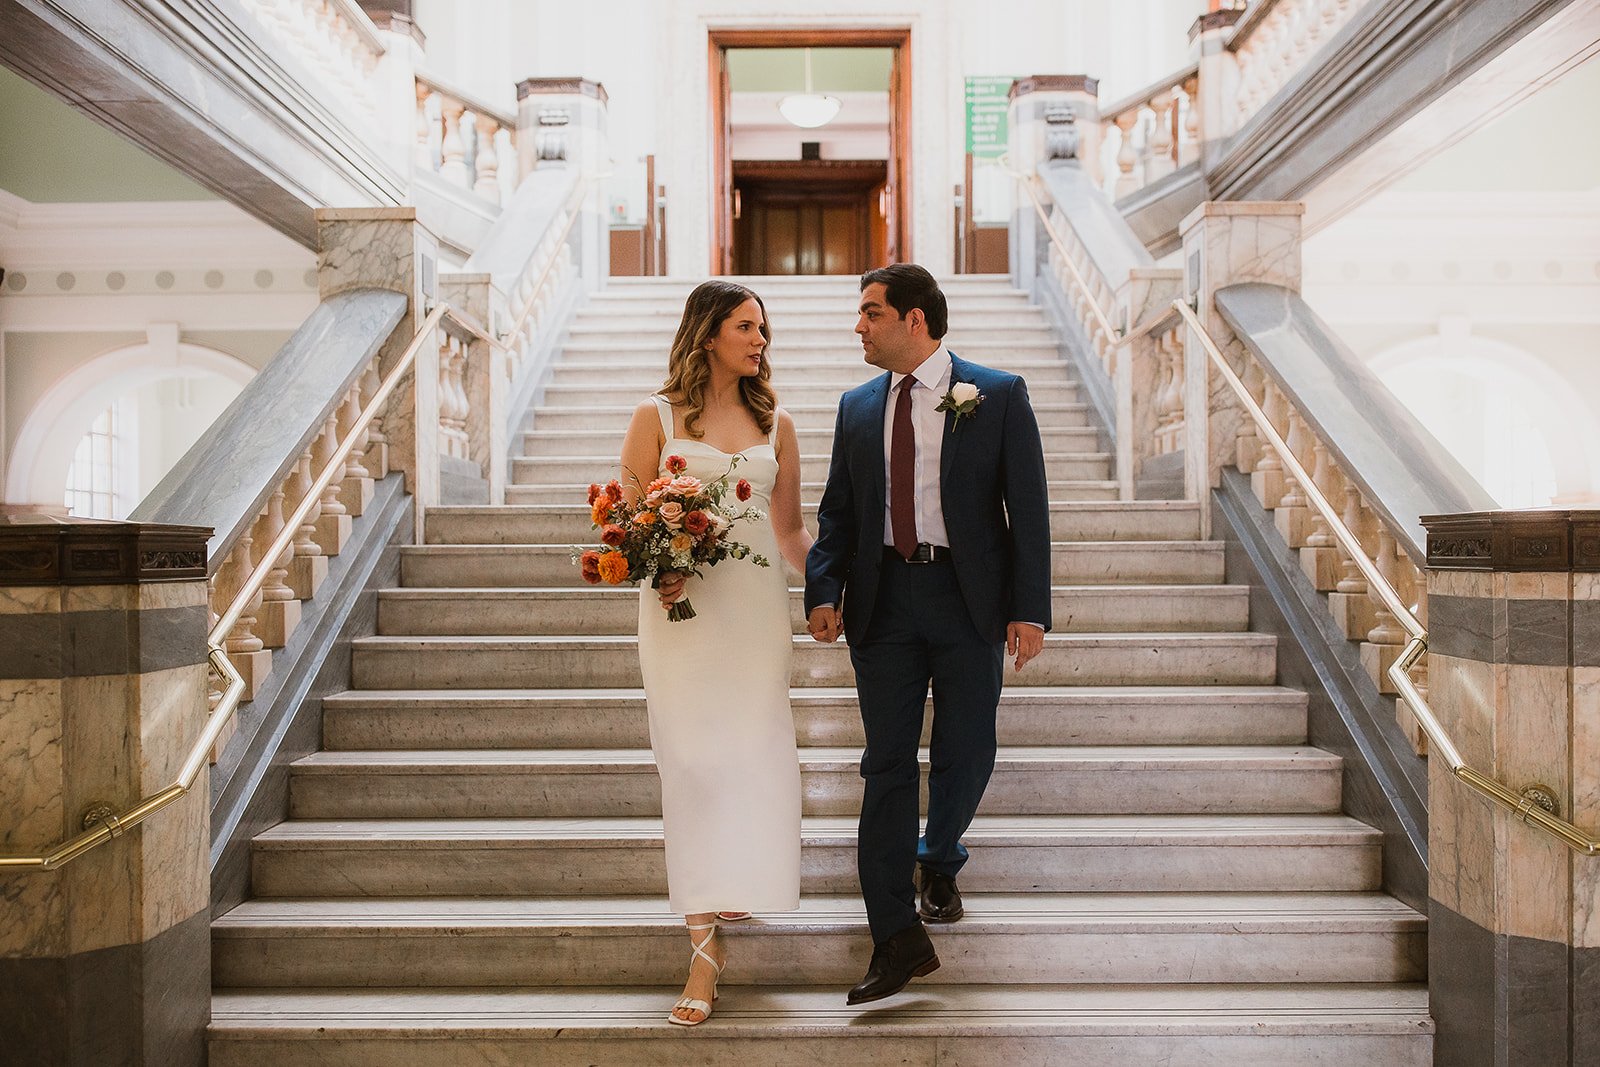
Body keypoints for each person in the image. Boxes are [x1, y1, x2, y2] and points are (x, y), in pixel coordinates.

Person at [805, 263, 1052, 1006]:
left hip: (968, 596)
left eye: (870, 313)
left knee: (968, 745)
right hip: (883, 602)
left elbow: (1027, 509)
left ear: (915, 319)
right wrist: (824, 589)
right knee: (885, 764)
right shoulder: (856, 407)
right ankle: (896, 935)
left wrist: (1029, 607)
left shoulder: (997, 393)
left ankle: (939, 856)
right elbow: (837, 513)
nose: (859, 326)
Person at [617, 280, 812, 1026]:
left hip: (756, 615)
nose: (760, 339)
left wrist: (834, 590)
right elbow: (625, 515)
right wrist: (655, 561)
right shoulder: (655, 416)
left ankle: (739, 881)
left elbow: (790, 532)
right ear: (707, 334)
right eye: (745, 325)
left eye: (762, 327)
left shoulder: (779, 422)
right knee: (691, 764)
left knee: (753, 755)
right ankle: (702, 950)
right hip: (682, 615)